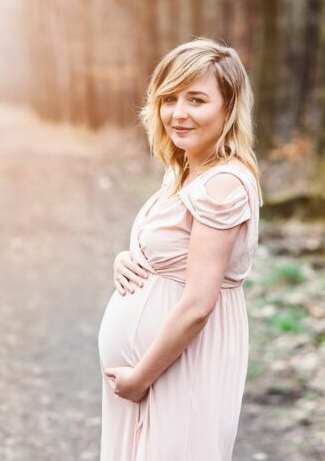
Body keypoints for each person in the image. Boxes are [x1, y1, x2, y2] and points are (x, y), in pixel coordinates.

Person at [97, 37, 264, 460]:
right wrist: (129, 259)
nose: (178, 113)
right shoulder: (184, 172)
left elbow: (197, 305)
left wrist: (139, 378)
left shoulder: (222, 184)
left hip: (179, 366)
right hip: (155, 369)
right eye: (169, 98)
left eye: (196, 99)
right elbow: (168, 248)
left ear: (228, 108)